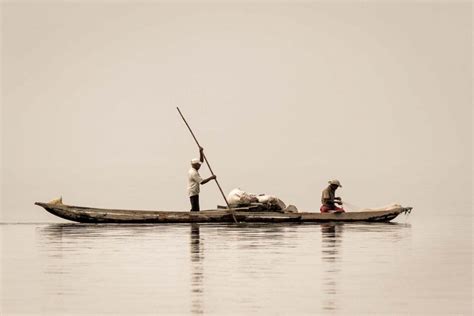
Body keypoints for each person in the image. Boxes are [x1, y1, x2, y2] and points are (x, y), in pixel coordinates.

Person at [188, 147, 216, 212]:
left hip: (195, 192)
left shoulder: (194, 169)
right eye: (198, 165)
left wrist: (200, 152)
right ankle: (192, 218)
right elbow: (202, 182)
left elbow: (201, 161)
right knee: (195, 209)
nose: (199, 166)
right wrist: (211, 177)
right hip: (193, 192)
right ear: (195, 165)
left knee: (196, 208)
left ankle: (193, 217)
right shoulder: (193, 172)